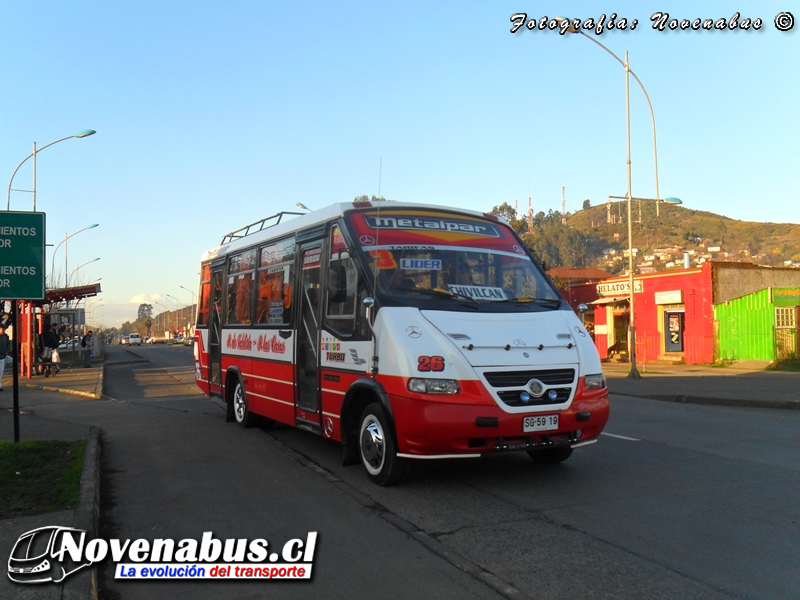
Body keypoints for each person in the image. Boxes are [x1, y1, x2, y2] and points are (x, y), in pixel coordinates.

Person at [0, 325, 9, 391]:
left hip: (2, 356)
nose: (3, 330)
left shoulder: (6, 336)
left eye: (4, 329)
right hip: (2, 355)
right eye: (2, 329)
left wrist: (7, 352)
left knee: (1, 372)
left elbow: (7, 345)